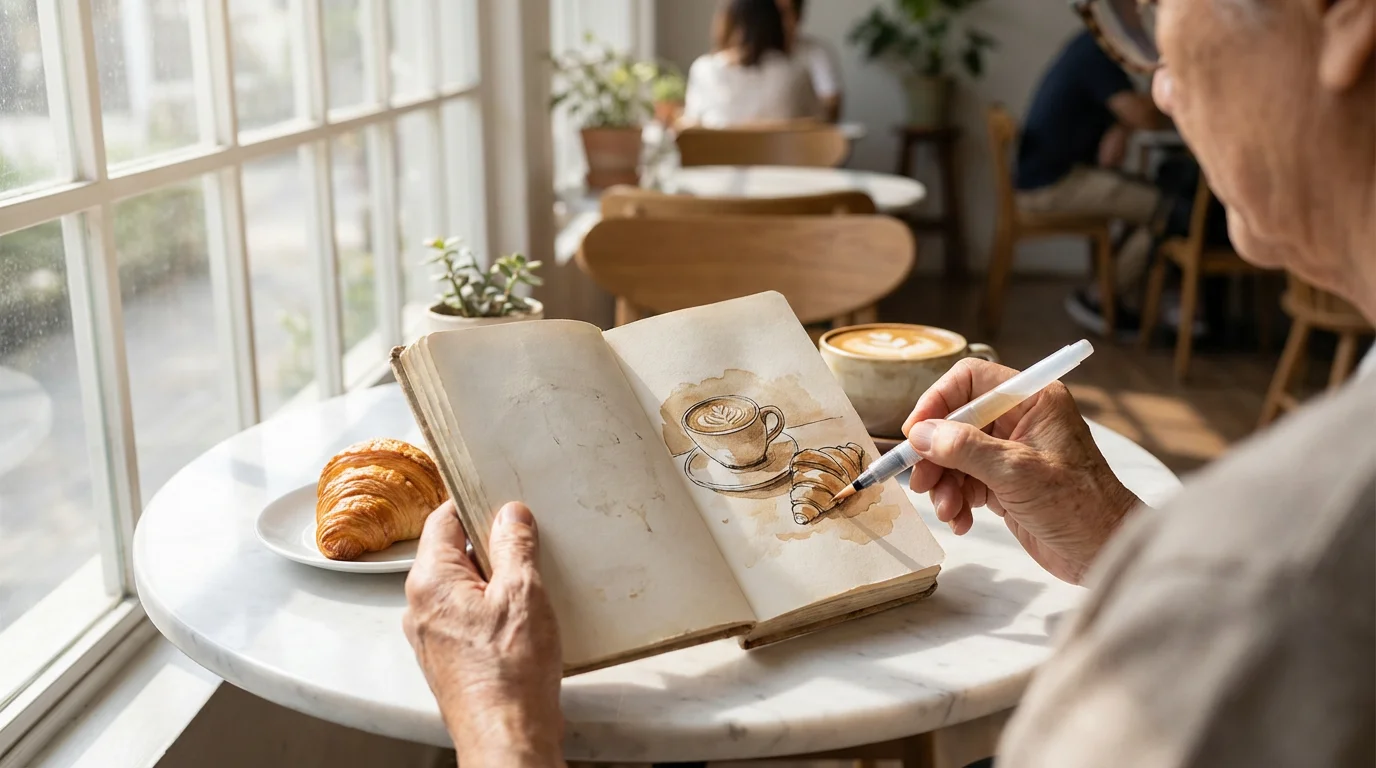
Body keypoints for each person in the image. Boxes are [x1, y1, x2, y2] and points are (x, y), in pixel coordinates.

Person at [403, 0, 1376, 764]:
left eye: (1153, 10)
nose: (1159, 85)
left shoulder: (1289, 562)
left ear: (1343, 17)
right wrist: (1114, 536)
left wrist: (503, 736)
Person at [1016, 29, 1168, 333]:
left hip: (1047, 177)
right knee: (1166, 211)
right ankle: (1100, 299)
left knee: (1147, 194)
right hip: (1053, 185)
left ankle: (1115, 294)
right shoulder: (1095, 55)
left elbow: (1128, 117)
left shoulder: (1085, 46)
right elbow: (1145, 115)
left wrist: (1121, 127)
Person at [680, 0, 820, 128]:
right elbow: (820, 124)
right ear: (776, 23)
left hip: (718, 155)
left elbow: (691, 129)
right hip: (781, 155)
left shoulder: (704, 70)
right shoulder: (795, 72)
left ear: (726, 24)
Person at [778, 0, 844, 122]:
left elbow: (831, 105)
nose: (776, 19)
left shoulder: (816, 53)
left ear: (798, 16)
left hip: (802, 136)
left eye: (784, 13)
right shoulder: (739, 60)